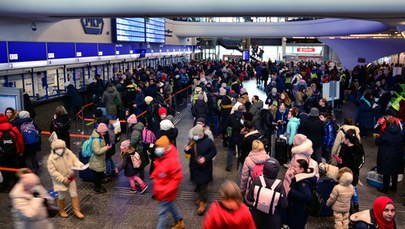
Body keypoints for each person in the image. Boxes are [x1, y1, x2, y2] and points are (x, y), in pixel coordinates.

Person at [151, 136, 185, 229]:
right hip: (162, 190)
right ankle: (179, 220)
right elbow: (159, 168)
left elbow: (177, 178)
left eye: (159, 147)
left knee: (162, 214)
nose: (157, 149)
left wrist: (166, 190)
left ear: (165, 147)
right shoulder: (162, 156)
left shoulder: (172, 160)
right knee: (170, 205)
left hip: (166, 192)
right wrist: (154, 175)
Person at [47, 139, 85, 219]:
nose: (59, 150)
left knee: (74, 194)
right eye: (57, 148)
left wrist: (80, 165)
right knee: (61, 196)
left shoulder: (68, 153)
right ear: (54, 149)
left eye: (61, 148)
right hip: (60, 181)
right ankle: (62, 210)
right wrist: (63, 179)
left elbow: (75, 160)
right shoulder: (51, 159)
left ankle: (77, 211)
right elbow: (53, 172)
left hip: (71, 178)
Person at [184, 125, 217, 215]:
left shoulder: (208, 142)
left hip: (204, 168)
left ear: (200, 134)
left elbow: (213, 152)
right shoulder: (192, 141)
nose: (194, 137)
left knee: (203, 186)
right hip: (195, 167)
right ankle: (200, 198)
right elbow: (189, 151)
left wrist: (205, 158)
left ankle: (203, 203)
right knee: (198, 184)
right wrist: (186, 149)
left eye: (196, 135)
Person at [246, 159, 288, 229]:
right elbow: (284, 204)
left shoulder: (257, 180)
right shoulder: (279, 185)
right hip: (274, 219)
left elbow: (249, 197)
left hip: (259, 217)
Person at [374, 116, 404, 194]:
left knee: (386, 173)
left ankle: (385, 189)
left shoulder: (386, 133)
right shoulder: (400, 132)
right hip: (397, 156)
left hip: (387, 156)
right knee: (395, 172)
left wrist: (377, 138)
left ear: (387, 124)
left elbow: (377, 142)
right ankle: (394, 188)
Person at [338, 129, 365, 213]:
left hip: (352, 173)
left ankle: (355, 205)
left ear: (348, 140)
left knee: (353, 188)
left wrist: (355, 169)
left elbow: (361, 162)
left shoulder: (357, 149)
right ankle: (348, 205)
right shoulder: (345, 146)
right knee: (352, 188)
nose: (343, 140)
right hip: (346, 173)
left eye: (344, 138)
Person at [286, 159, 317, 229]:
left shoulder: (302, 183)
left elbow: (307, 196)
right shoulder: (302, 177)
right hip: (298, 210)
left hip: (299, 211)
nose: (293, 168)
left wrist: (291, 191)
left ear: (302, 169)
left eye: (295, 167)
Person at [0, 113, 24, 192]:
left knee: (4, 170)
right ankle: (16, 185)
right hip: (14, 153)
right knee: (14, 168)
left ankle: (6, 186)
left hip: (2, 155)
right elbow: (20, 141)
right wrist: (21, 151)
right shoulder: (13, 129)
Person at [89, 123, 112, 193]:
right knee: (98, 176)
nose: (105, 133)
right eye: (104, 132)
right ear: (101, 131)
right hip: (96, 161)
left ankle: (99, 186)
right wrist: (106, 148)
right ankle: (97, 187)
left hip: (99, 160)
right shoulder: (96, 140)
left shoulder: (100, 136)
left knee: (100, 175)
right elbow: (97, 151)